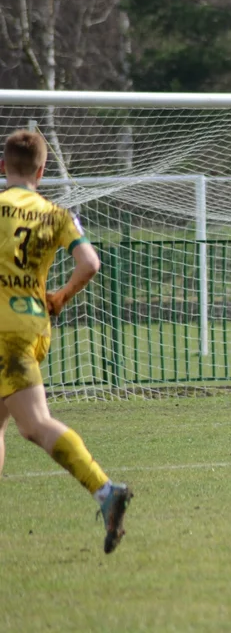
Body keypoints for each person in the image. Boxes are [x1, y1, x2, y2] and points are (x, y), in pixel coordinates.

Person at [0, 129, 133, 554]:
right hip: (36, 327)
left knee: (34, 425)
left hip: (2, 333)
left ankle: (105, 489)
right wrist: (60, 295)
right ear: (41, 170)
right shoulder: (57, 214)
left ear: (3, 167)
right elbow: (90, 262)